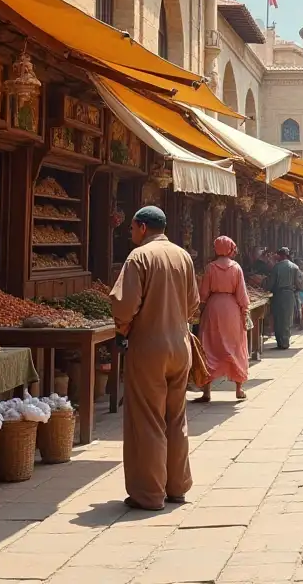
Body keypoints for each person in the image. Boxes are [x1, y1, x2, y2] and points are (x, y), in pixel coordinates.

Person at [109, 206, 199, 510]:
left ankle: (149, 493)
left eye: (132, 228)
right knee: (176, 418)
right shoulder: (182, 256)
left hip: (149, 348)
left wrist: (125, 327)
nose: (130, 233)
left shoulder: (140, 257)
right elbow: (193, 303)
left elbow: (123, 307)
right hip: (180, 345)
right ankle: (177, 486)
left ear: (142, 227)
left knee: (147, 419)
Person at [195, 235, 250, 403]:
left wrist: (201, 310)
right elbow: (241, 293)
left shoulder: (210, 268)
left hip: (213, 308)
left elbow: (203, 294)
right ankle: (239, 389)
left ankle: (206, 392)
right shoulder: (236, 268)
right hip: (232, 309)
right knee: (235, 346)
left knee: (209, 347)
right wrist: (244, 310)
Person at [265, 248, 302, 350]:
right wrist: (296, 290)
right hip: (289, 295)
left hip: (278, 295)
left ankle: (280, 342)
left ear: (280, 255)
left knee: (278, 318)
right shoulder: (295, 267)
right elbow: (300, 283)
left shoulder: (276, 267)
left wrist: (265, 286)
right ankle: (285, 341)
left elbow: (270, 284)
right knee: (287, 318)